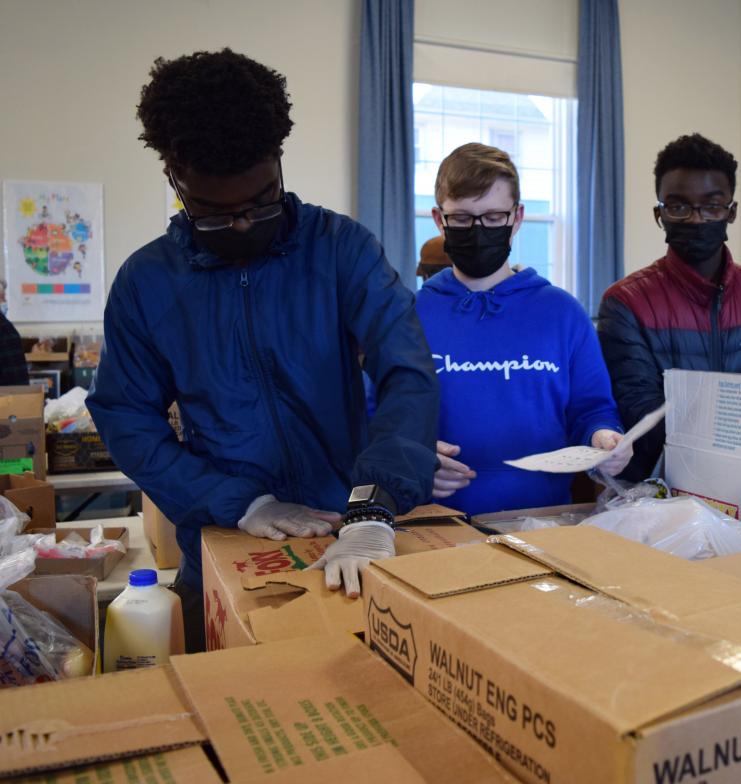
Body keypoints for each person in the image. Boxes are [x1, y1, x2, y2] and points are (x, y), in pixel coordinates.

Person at [86, 49, 439, 651]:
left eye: (261, 202)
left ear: (279, 161)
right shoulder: (148, 283)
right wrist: (239, 502)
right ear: (175, 180)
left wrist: (376, 503)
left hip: (349, 539)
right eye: (217, 214)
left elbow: (407, 371)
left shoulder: (342, 250)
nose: (245, 226)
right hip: (228, 543)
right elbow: (125, 416)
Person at [416, 143, 630, 515]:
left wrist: (604, 439)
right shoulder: (411, 313)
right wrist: (412, 456)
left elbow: (592, 409)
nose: (478, 230)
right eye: (463, 219)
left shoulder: (563, 313)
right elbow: (376, 416)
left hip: (543, 521)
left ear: (517, 218)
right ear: (439, 219)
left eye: (494, 217)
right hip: (435, 522)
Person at [598, 133, 741, 481]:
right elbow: (643, 414)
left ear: (731, 212)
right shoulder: (626, 303)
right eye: (678, 207)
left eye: (711, 206)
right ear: (659, 213)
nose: (695, 219)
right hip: (656, 495)